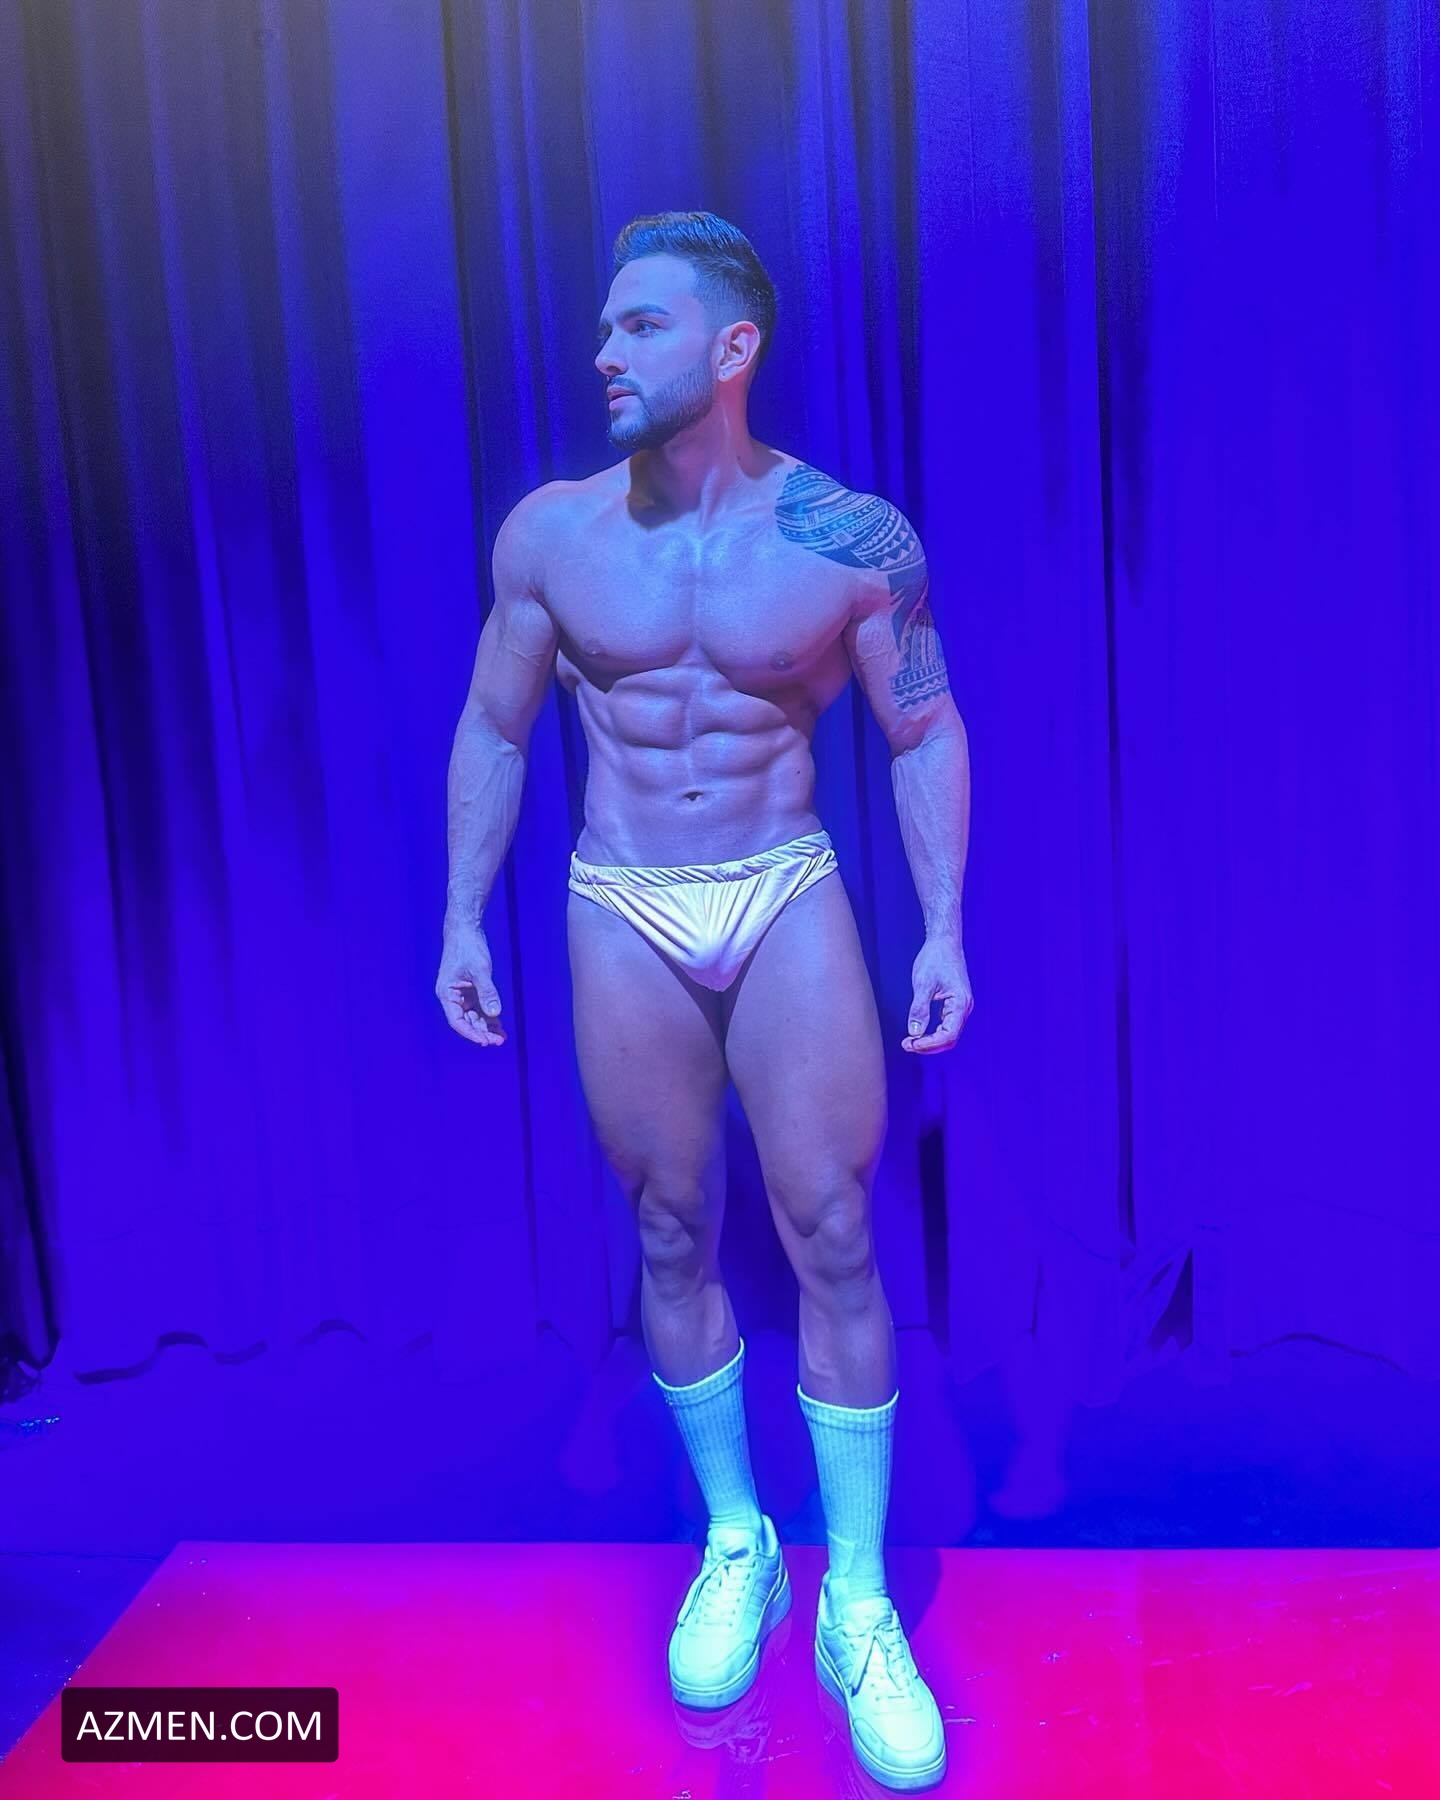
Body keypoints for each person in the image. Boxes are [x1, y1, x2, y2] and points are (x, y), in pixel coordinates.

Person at [438, 210, 972, 1792]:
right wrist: (460, 911)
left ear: (733, 347)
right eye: (606, 327)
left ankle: (857, 1599)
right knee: (670, 1228)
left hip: (780, 884)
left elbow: (924, 731)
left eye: (642, 327)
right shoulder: (551, 535)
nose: (604, 353)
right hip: (624, 901)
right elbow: (495, 724)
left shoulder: (850, 539)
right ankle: (740, 1543)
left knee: (833, 1230)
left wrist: (944, 929)